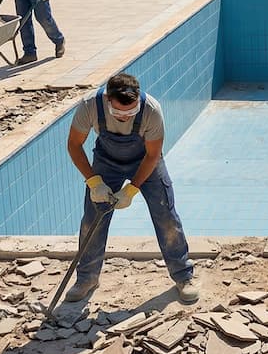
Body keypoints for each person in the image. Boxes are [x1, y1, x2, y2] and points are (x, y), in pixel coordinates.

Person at [64, 73, 197, 303]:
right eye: (118, 112)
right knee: (92, 220)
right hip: (106, 162)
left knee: (165, 215)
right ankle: (86, 278)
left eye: (131, 112)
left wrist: (132, 189)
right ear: (108, 100)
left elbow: (153, 154)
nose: (125, 117)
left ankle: (183, 276)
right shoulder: (90, 106)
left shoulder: (151, 110)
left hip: (145, 161)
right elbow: (74, 145)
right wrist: (94, 181)